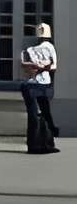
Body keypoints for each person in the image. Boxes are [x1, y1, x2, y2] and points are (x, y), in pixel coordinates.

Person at [20, 21, 60, 154]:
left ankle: (34, 145)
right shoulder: (50, 48)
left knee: (33, 115)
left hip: (31, 84)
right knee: (45, 113)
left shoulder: (31, 49)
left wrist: (36, 66)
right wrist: (44, 67)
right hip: (44, 83)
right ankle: (46, 143)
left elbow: (24, 66)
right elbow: (54, 67)